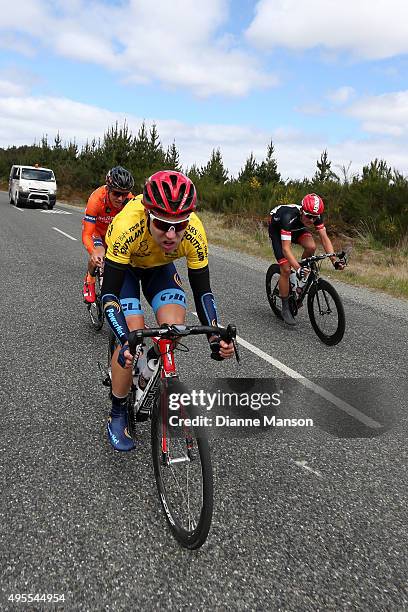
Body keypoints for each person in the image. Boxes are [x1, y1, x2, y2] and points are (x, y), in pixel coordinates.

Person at [100, 170, 235, 451]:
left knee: (174, 328)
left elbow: (203, 291)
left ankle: (150, 361)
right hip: (124, 270)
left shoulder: (195, 231)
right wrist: (126, 337)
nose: (172, 234)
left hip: (159, 268)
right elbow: (109, 294)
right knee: (133, 337)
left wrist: (215, 335)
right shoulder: (127, 225)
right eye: (162, 224)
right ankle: (117, 410)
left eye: (180, 224)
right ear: (148, 214)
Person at [268, 193, 345, 325]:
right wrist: (298, 268)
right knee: (286, 269)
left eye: (315, 218)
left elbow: (324, 239)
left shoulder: (314, 217)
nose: (311, 220)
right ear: (302, 210)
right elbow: (286, 249)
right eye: (309, 216)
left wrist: (334, 260)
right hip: (278, 228)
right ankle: (285, 306)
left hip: (297, 228)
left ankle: (298, 279)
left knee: (311, 246)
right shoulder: (288, 217)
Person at [82, 166, 135, 303]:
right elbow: (87, 233)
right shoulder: (96, 199)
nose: (120, 198)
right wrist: (94, 251)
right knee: (98, 255)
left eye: (125, 194)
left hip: (116, 233)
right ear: (108, 189)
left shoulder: (130, 200)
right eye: (116, 193)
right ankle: (90, 278)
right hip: (97, 232)